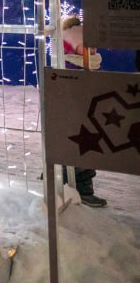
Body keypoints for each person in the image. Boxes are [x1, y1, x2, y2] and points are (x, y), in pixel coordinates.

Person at [62, 15, 106, 207]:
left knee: (79, 146)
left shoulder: (88, 63)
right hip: (75, 108)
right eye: (85, 46)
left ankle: (69, 182)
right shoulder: (72, 64)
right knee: (79, 145)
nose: (92, 50)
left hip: (83, 110)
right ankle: (80, 187)